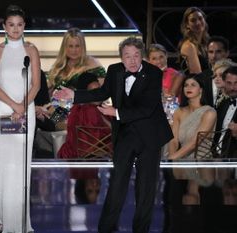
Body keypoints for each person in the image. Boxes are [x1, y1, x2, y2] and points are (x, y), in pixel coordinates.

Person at [54, 36, 173, 233]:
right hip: (125, 133)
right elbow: (101, 93)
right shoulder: (114, 70)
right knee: (117, 183)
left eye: (136, 55)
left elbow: (147, 107)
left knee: (145, 189)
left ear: (142, 56)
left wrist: (116, 112)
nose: (132, 60)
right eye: (128, 56)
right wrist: (74, 95)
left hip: (149, 134)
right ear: (121, 57)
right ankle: (106, 228)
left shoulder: (153, 73)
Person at [0, 5, 40, 233]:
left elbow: (36, 83)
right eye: (11, 24)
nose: (15, 29)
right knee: (5, 164)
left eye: (19, 24)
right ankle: (1, 218)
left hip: (26, 111)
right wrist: (14, 105)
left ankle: (19, 220)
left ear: (24, 26)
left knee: (21, 166)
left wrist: (23, 105)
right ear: (4, 27)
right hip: (2, 112)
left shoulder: (32, 50)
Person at [168, 75, 217, 205]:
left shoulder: (209, 112)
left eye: (193, 85)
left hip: (202, 161)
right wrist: (172, 161)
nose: (188, 88)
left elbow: (194, 143)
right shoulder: (179, 111)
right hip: (180, 159)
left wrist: (172, 159)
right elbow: (173, 140)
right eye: (185, 85)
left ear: (201, 89)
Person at [57, 72, 111, 158]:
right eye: (93, 92)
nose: (97, 94)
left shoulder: (100, 108)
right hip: (91, 155)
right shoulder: (89, 110)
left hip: (73, 154)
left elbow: (54, 121)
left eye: (99, 90)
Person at [177, 7, 210, 76]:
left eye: (200, 18)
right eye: (193, 20)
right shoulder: (189, 46)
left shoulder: (206, 43)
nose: (198, 23)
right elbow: (197, 76)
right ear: (187, 25)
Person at [213, 66, 237, 158]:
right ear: (224, 83)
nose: (232, 87)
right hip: (217, 156)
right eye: (229, 83)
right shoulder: (223, 104)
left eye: (236, 83)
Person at [201, 36, 231, 107]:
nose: (214, 56)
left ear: (227, 53)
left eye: (218, 52)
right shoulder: (201, 78)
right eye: (211, 52)